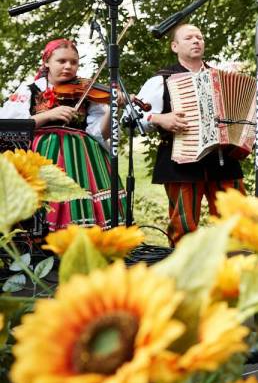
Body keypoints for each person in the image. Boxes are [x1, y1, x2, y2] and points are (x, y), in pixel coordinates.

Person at [0, 38, 125, 230]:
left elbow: (100, 133)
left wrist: (114, 109)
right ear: (46, 62)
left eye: (74, 62)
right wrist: (47, 115)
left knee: (84, 208)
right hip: (40, 156)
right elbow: (9, 126)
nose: (68, 66)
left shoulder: (87, 92)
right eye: (61, 61)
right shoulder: (30, 90)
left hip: (83, 159)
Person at [136, 24, 245, 243]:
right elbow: (133, 118)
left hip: (223, 160)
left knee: (237, 223)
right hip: (180, 161)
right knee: (183, 227)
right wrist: (160, 119)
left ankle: (236, 263)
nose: (196, 41)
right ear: (174, 46)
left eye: (199, 37)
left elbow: (242, 111)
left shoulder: (221, 77)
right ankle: (185, 264)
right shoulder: (161, 80)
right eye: (188, 38)